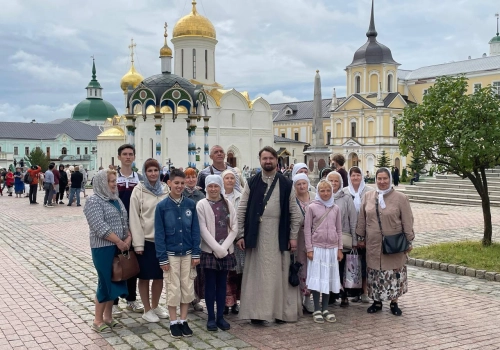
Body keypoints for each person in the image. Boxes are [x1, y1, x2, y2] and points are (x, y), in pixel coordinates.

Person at [236, 146, 302, 324]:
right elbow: (241, 209)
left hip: (278, 233)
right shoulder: (252, 182)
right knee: (258, 275)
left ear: (276, 160)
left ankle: (279, 312)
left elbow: (295, 213)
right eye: (264, 158)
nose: (267, 161)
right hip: (256, 235)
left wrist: (293, 236)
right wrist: (240, 234)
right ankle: (257, 313)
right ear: (260, 161)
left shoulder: (286, 183)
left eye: (270, 158)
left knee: (277, 275)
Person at [356, 168, 415, 316]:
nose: (382, 182)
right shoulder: (368, 196)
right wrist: (360, 237)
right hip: (373, 243)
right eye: (379, 179)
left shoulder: (401, 198)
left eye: (385, 179)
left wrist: (409, 240)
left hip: (394, 242)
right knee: (375, 272)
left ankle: (394, 302)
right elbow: (362, 219)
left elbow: (408, 221)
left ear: (390, 179)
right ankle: (377, 301)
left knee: (394, 272)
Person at [155, 169, 201, 338]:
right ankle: (173, 322)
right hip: (171, 254)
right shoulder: (162, 207)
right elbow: (159, 234)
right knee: (173, 287)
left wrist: (196, 253)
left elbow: (195, 230)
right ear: (169, 183)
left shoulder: (190, 205)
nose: (180, 186)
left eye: (182, 183)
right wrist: (162, 257)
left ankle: (184, 320)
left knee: (187, 287)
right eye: (177, 183)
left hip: (188, 253)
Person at [83, 169, 130, 333]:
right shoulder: (93, 201)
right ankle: (97, 320)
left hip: (119, 246)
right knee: (105, 281)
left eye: (114, 181)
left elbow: (125, 220)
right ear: (102, 183)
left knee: (115, 280)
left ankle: (108, 318)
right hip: (103, 248)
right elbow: (99, 226)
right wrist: (118, 241)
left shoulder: (116, 199)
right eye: (110, 181)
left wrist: (128, 237)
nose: (113, 184)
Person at [129, 159, 170, 323]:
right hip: (146, 241)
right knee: (145, 276)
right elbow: (134, 218)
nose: (153, 173)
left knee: (159, 276)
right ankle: (146, 309)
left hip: (163, 241)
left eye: (155, 170)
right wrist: (138, 243)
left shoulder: (165, 189)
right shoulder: (138, 191)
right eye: (150, 170)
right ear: (145, 173)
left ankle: (155, 305)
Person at [196, 175, 237, 331]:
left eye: (216, 186)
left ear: (220, 187)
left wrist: (224, 248)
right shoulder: (202, 204)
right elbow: (203, 229)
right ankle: (211, 317)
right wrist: (216, 249)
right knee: (210, 286)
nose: (213, 189)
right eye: (210, 186)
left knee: (222, 285)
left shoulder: (228, 204)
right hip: (209, 252)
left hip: (226, 252)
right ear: (206, 187)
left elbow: (234, 227)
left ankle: (220, 316)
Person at [304, 180, 342, 324]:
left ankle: (325, 308)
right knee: (317, 279)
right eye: (322, 191)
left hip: (331, 248)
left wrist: (339, 248)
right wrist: (309, 248)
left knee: (327, 278)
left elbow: (338, 229)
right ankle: (317, 308)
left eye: (328, 191)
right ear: (318, 192)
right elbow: (307, 229)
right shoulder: (312, 207)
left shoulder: (335, 208)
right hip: (317, 247)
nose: (325, 193)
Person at [114, 144, 144, 316]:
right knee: (116, 264)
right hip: (116, 227)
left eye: (130, 154)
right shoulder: (113, 178)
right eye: (124, 154)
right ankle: (115, 300)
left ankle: (131, 299)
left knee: (131, 263)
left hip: (133, 226)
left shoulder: (138, 179)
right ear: (119, 157)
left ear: (134, 157)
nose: (127, 157)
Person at [344, 166, 375, 303]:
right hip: (349, 233)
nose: (355, 178)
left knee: (364, 263)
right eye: (353, 175)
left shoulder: (369, 192)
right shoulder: (345, 192)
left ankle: (365, 291)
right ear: (349, 177)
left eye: (358, 175)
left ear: (362, 176)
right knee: (352, 263)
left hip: (366, 233)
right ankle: (353, 291)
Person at [326, 171, 357, 307]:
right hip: (326, 240)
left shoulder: (346, 198)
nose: (333, 184)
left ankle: (344, 295)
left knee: (343, 268)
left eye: (336, 181)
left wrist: (355, 241)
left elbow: (353, 220)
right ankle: (331, 294)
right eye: (330, 181)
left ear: (340, 182)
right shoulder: (323, 196)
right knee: (329, 268)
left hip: (342, 239)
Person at [221, 169, 244, 315]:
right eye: (226, 178)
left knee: (236, 272)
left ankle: (235, 301)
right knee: (224, 272)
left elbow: (242, 218)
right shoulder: (217, 195)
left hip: (236, 241)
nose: (229, 180)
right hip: (222, 241)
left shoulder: (240, 197)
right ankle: (224, 302)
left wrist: (240, 235)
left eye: (232, 178)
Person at [182, 167, 205, 312]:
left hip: (199, 236)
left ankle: (196, 298)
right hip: (185, 235)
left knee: (198, 271)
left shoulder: (200, 195)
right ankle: (187, 299)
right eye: (188, 177)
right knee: (186, 271)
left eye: (193, 177)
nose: (190, 180)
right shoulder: (181, 194)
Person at [293, 173, 315, 314]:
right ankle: (298, 298)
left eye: (304, 183)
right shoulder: (292, 199)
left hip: (314, 237)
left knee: (312, 267)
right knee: (300, 266)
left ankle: (308, 298)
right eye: (298, 184)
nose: (302, 186)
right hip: (298, 237)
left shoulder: (314, 197)